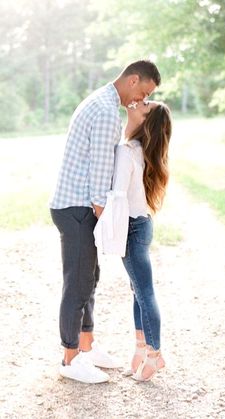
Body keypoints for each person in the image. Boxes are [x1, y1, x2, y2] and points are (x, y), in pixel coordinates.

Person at [50, 60, 161, 383]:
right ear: (133, 79)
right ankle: (71, 359)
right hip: (77, 207)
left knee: (89, 277)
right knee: (78, 283)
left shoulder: (101, 100)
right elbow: (100, 188)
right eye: (143, 92)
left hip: (75, 205)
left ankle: (87, 346)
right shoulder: (106, 114)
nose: (140, 100)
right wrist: (115, 230)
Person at [94, 100, 172, 381]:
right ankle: (141, 347)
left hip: (132, 227)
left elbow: (117, 194)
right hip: (143, 223)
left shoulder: (127, 152)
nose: (140, 102)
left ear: (146, 121)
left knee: (145, 291)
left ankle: (155, 354)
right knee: (139, 289)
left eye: (146, 104)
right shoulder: (146, 152)